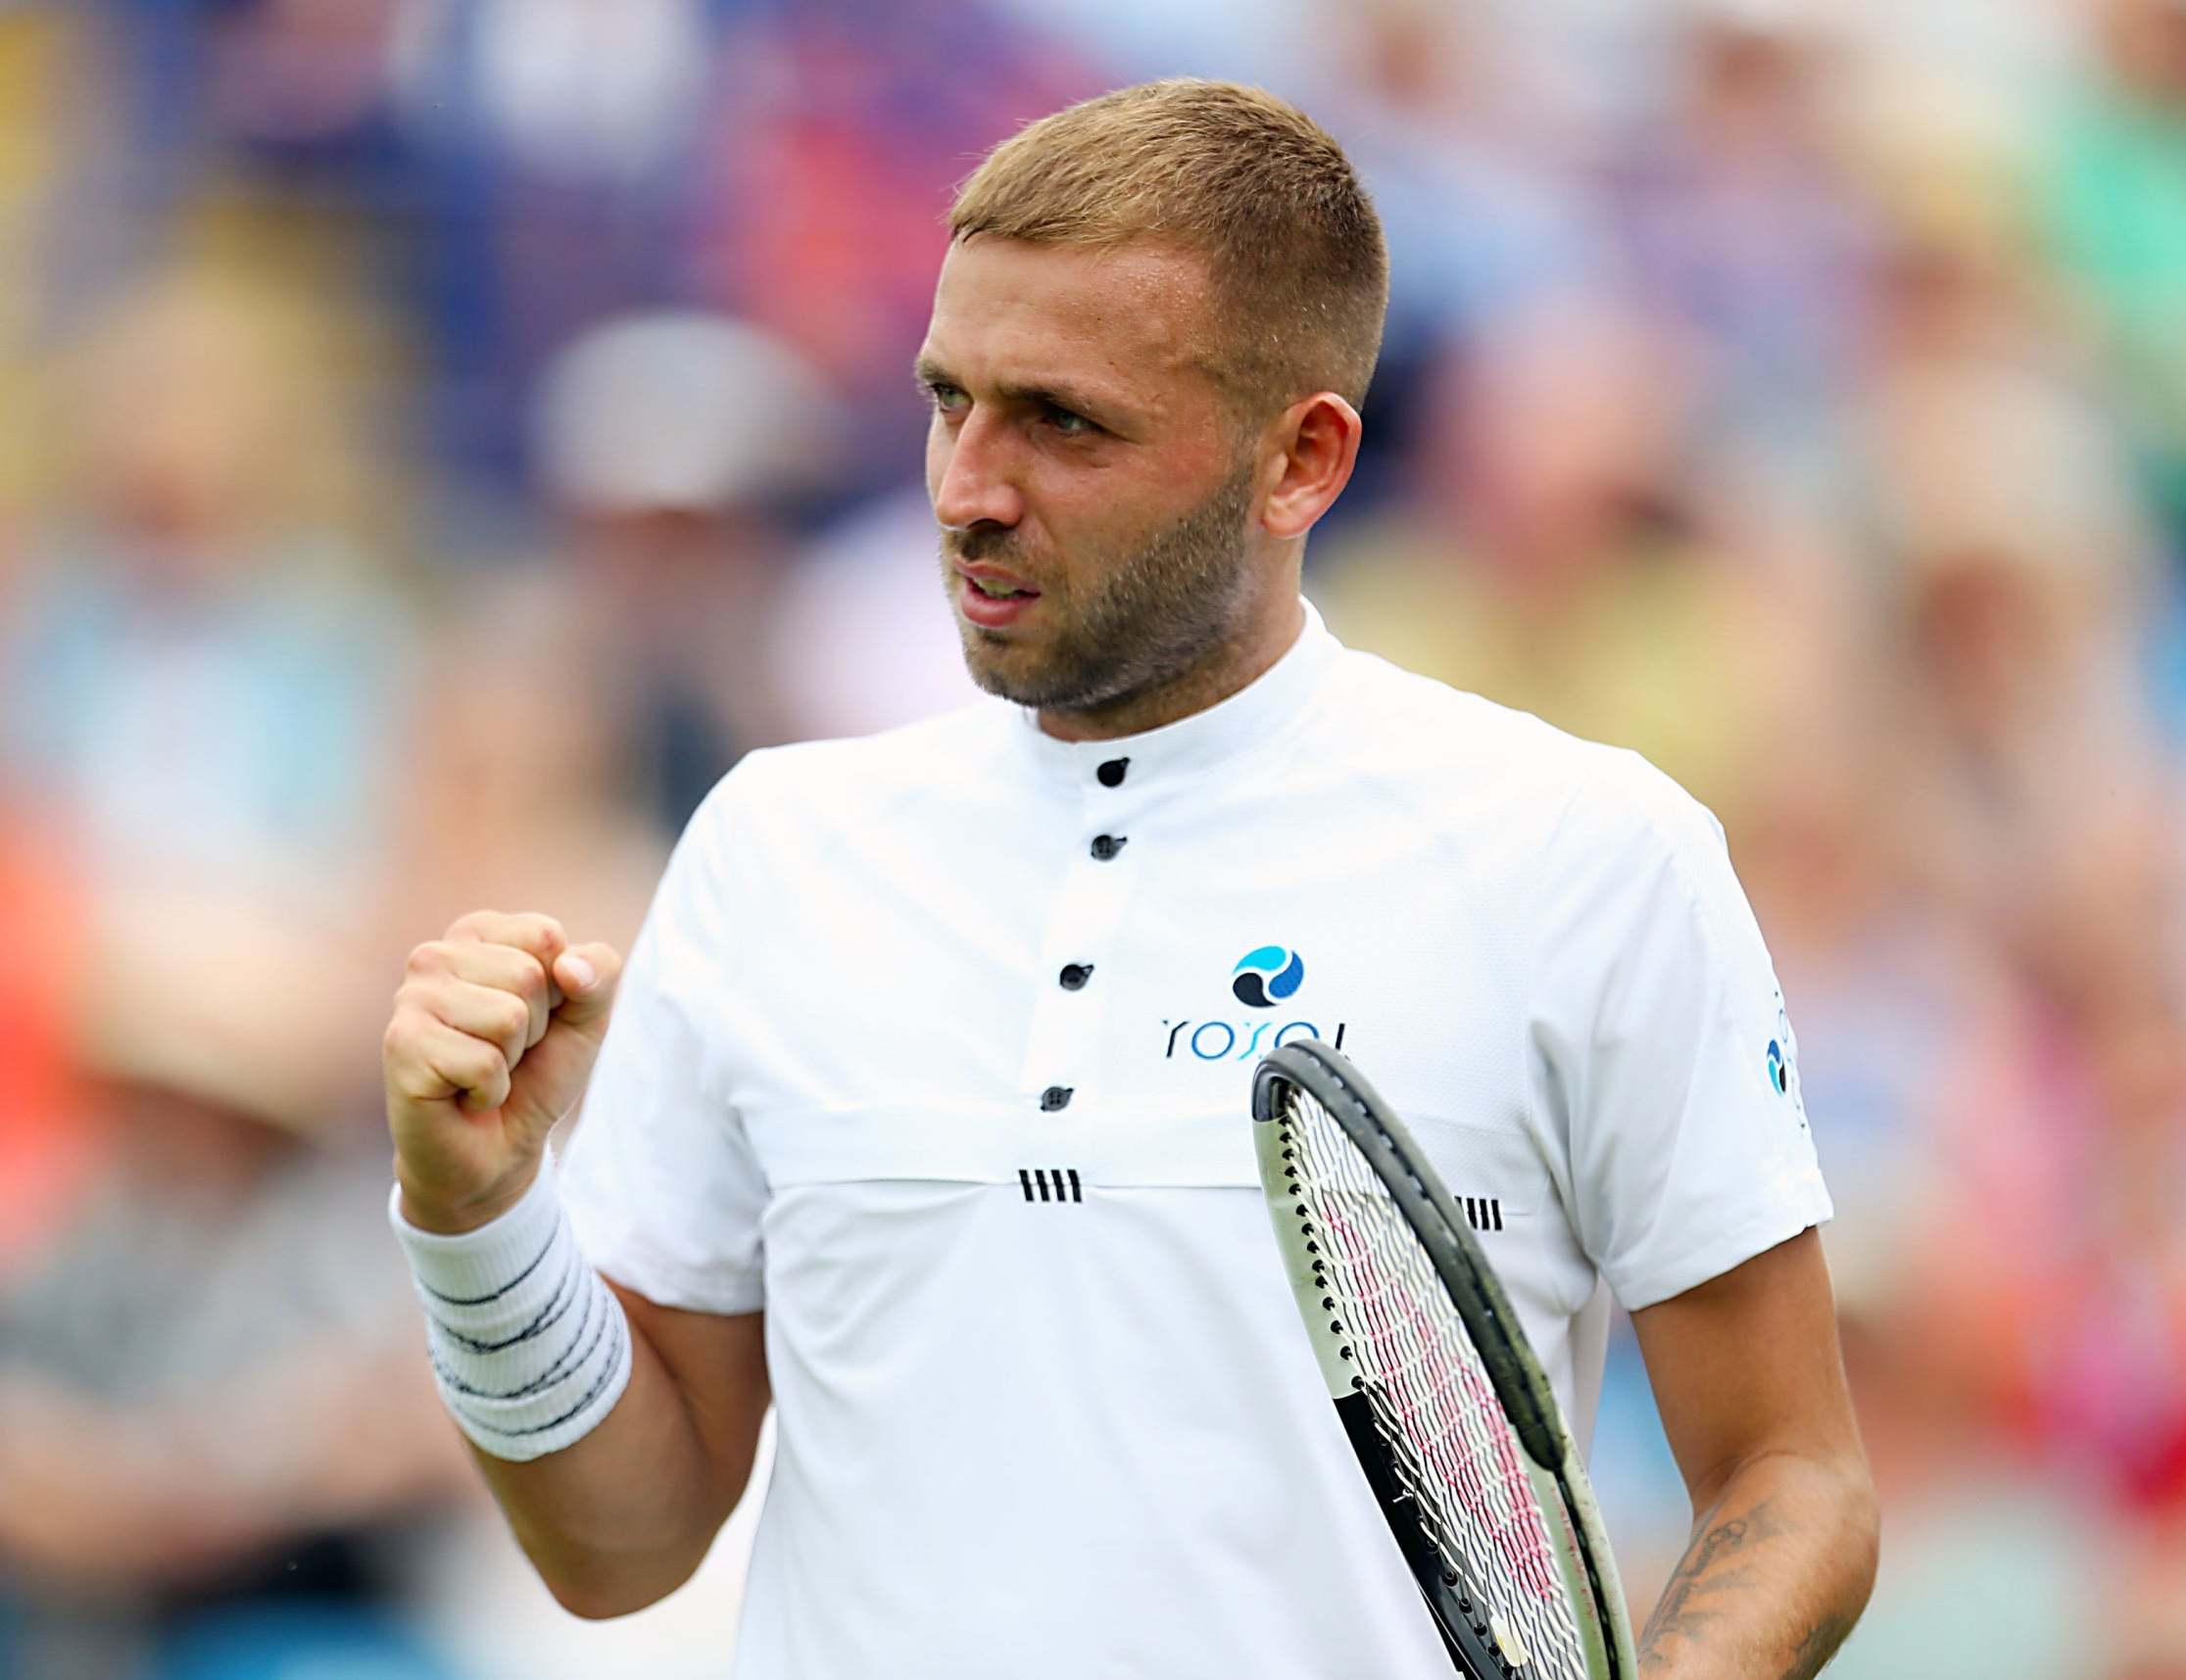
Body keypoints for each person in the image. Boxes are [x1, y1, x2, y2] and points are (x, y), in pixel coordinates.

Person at [379, 79, 1877, 1679]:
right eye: (949, 399)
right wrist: (479, 1223)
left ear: (1302, 459)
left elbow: (1795, 1477)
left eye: (1064, 421)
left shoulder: (1588, 854)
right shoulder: (774, 850)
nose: (968, 486)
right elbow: (620, 1552)